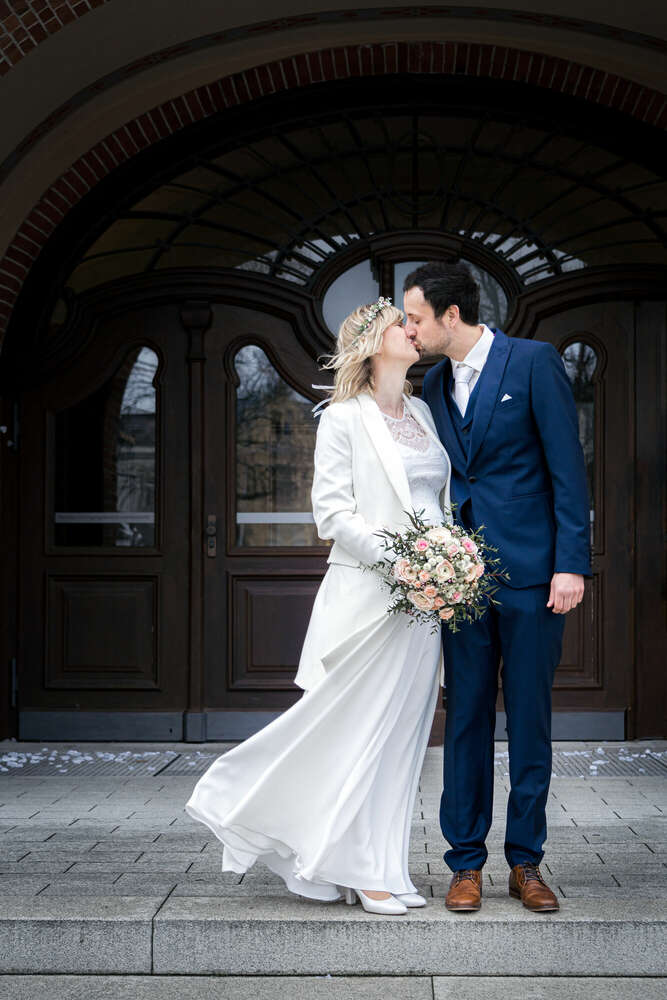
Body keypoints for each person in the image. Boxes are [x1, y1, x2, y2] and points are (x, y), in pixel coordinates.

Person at [185, 298, 452, 915]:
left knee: (402, 740)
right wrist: (404, 559)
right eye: (401, 326)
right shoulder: (343, 419)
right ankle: (350, 864)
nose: (413, 333)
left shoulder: (420, 410)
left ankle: (382, 864)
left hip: (427, 602)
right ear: (373, 342)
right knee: (357, 732)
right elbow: (332, 514)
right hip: (370, 599)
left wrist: (449, 560)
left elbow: (436, 499)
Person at [403, 260, 592, 913]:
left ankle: (526, 864)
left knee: (531, 722)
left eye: (416, 317)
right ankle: (464, 865)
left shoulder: (533, 362)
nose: (411, 327)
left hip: (536, 575)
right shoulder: (430, 383)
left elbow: (567, 468)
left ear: (450, 315)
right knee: (466, 722)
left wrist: (572, 563)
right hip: (460, 583)